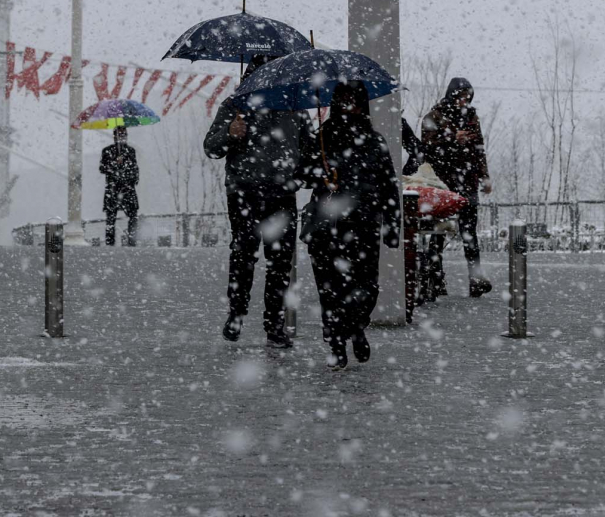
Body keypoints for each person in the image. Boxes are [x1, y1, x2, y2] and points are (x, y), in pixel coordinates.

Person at [204, 55, 316, 348]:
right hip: (244, 192)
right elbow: (212, 148)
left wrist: (299, 177)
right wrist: (231, 133)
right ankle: (237, 314)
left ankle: (274, 325)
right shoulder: (235, 106)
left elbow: (311, 153)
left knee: (280, 262)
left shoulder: (295, 109)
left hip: (281, 195)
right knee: (243, 255)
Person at [301, 81, 401, 369]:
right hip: (325, 226)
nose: (348, 107)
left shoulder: (374, 141)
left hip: (364, 226)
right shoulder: (322, 137)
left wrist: (392, 225)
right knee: (329, 289)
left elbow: (389, 185)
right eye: (342, 100)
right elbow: (302, 174)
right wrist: (320, 173)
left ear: (362, 105)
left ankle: (356, 326)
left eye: (354, 101)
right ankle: (334, 341)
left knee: (366, 287)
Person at [420, 78, 493, 298]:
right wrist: (451, 138)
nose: (464, 101)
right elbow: (426, 145)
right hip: (443, 182)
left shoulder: (471, 118)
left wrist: (485, 176)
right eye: (461, 96)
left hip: (468, 181)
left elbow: (479, 148)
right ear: (452, 95)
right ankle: (435, 277)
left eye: (468, 97)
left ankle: (476, 279)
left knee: (469, 232)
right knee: (439, 232)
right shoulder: (434, 116)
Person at [99, 126, 139, 247]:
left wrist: (129, 174)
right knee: (110, 218)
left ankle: (132, 242)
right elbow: (102, 168)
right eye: (120, 135)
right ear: (115, 136)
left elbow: (134, 168)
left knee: (133, 216)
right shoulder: (107, 151)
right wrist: (115, 163)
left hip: (128, 189)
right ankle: (110, 244)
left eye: (124, 135)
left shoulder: (131, 151)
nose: (123, 138)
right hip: (113, 189)